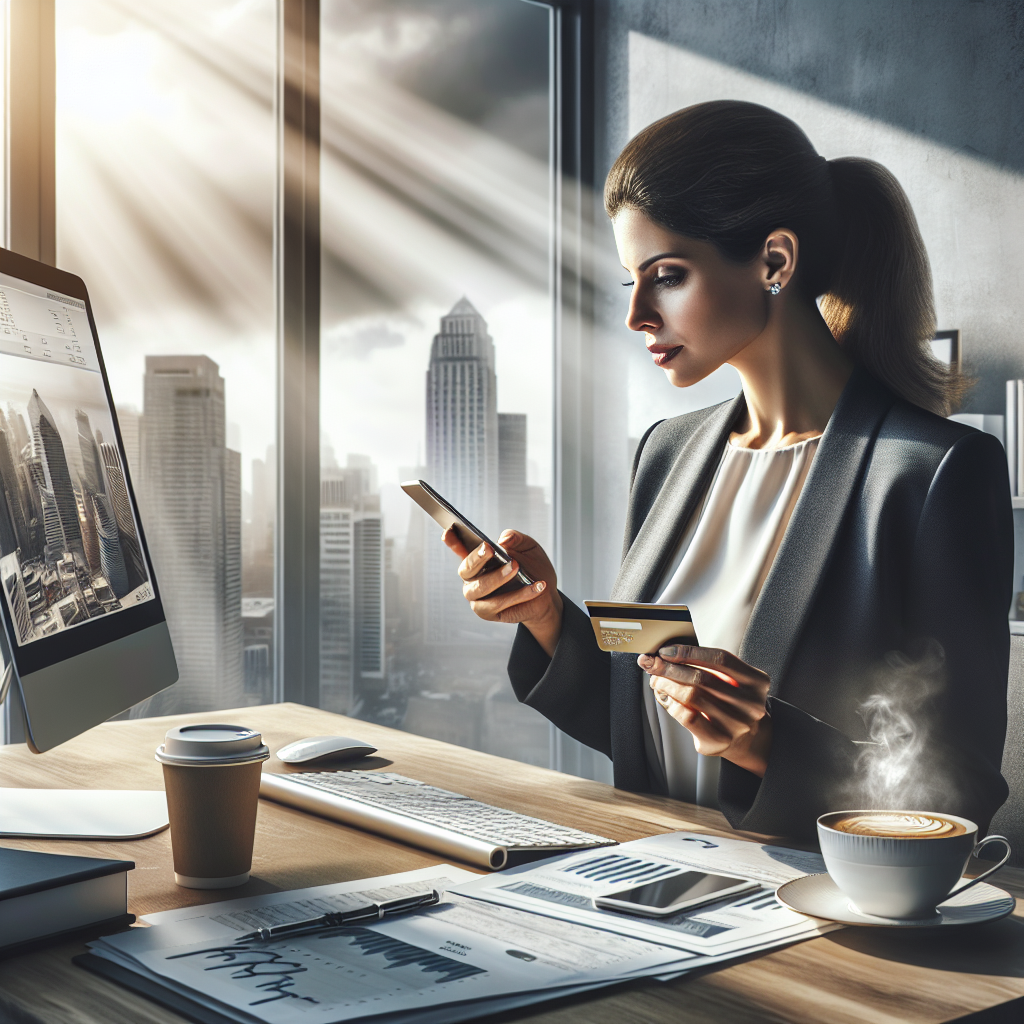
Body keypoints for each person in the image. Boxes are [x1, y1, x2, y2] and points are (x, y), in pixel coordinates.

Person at [442, 100, 1012, 842]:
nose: (638, 315)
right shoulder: (668, 452)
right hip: (656, 882)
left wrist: (761, 743)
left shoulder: (933, 474)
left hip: (820, 912)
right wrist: (546, 619)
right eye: (632, 283)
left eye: (667, 275)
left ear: (774, 261)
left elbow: (958, 790)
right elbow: (642, 728)